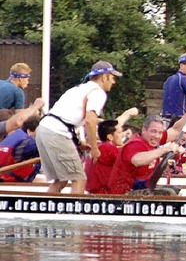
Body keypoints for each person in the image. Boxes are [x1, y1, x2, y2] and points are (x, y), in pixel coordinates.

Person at [36, 61, 121, 194]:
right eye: (112, 77)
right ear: (104, 77)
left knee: (61, 180)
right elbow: (89, 120)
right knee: (79, 179)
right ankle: (75, 213)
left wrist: (81, 141)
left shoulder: (77, 89)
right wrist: (94, 148)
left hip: (44, 130)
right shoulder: (98, 93)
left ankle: (45, 211)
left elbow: (74, 118)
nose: (114, 82)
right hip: (57, 133)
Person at [107, 106, 186, 195]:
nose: (157, 136)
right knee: (169, 193)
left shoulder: (153, 140)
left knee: (174, 189)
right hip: (124, 193)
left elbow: (175, 130)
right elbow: (137, 160)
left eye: (160, 132)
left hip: (141, 188)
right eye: (153, 131)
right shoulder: (135, 143)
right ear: (144, 130)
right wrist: (166, 149)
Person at [86, 119, 123, 194]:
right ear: (110, 137)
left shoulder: (100, 147)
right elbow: (129, 159)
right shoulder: (107, 148)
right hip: (103, 194)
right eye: (119, 133)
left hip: (99, 192)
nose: (123, 135)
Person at [0, 115, 40, 182]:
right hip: (8, 179)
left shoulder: (15, 135)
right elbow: (44, 151)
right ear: (29, 131)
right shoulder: (28, 143)